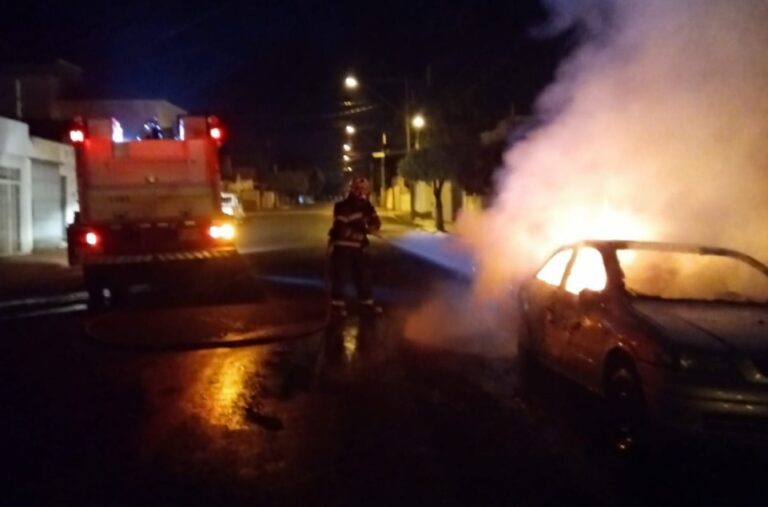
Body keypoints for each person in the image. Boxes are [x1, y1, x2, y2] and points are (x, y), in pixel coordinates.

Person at [328, 177, 382, 315]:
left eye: (365, 189)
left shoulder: (367, 205)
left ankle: (366, 303)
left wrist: (373, 227)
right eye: (360, 189)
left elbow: (375, 220)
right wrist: (356, 235)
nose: (363, 192)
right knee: (341, 277)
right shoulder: (342, 206)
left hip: (359, 247)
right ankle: (337, 306)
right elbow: (340, 228)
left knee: (364, 276)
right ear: (354, 190)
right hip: (342, 247)